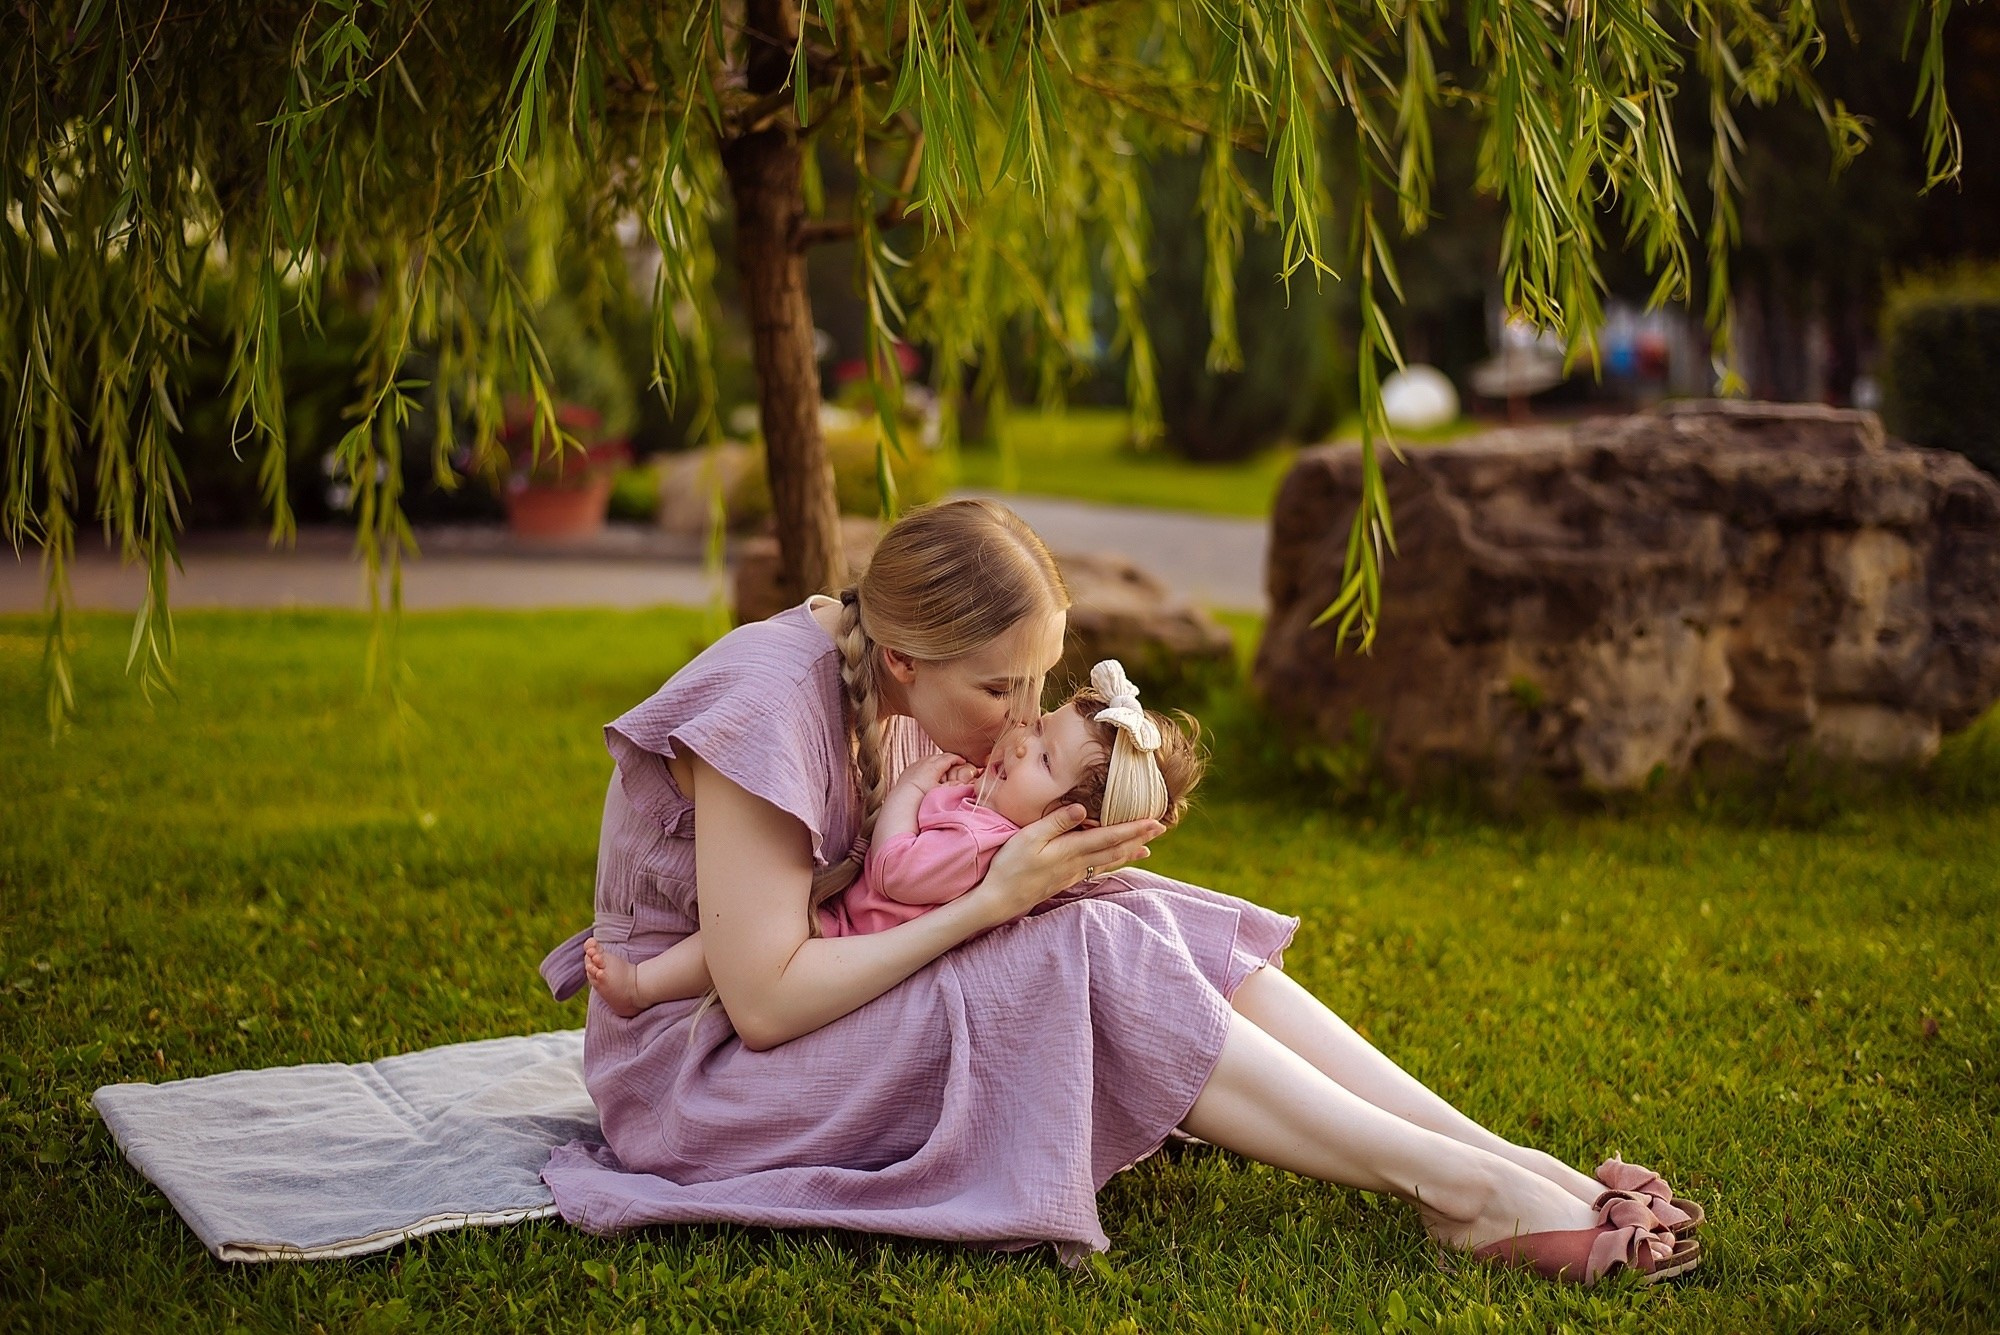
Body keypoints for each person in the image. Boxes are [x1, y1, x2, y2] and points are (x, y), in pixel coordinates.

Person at [538, 498, 1705, 1285]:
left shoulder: (890, 694)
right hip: (705, 1082)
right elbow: (766, 1004)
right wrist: (989, 904)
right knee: (1074, 944)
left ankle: (1505, 1165)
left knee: (1131, 913)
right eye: (999, 690)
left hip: (807, 1015)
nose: (1017, 716)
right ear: (904, 658)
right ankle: (1459, 1192)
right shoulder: (766, 703)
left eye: (1035, 683)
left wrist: (1033, 876)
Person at [580, 661, 1207, 1017]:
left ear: (1068, 822)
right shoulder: (992, 815)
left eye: (1043, 759)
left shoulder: (981, 844)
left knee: (724, 950)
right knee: (730, 942)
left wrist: (908, 791)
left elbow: (894, 873)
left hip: (855, 942)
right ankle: (646, 985)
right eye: (1040, 728)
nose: (1020, 739)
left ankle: (644, 987)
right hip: (858, 931)